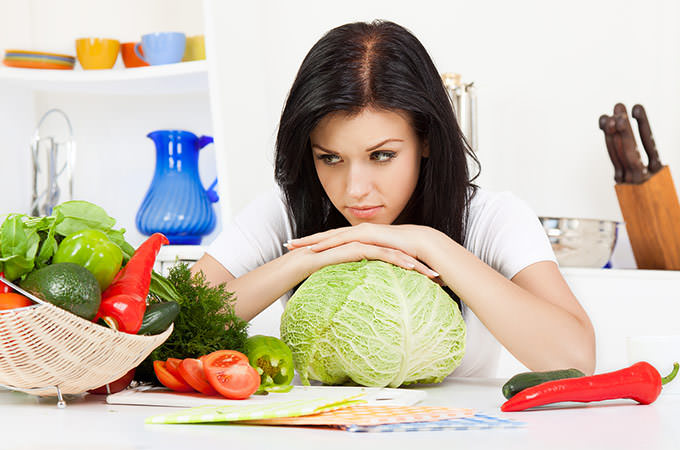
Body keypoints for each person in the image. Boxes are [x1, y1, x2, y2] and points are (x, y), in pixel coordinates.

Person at [192, 20, 596, 377]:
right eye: (329, 158)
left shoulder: (495, 219)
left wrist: (430, 243)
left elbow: (575, 358)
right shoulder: (280, 214)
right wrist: (305, 259)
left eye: (382, 155)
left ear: (426, 141)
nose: (354, 190)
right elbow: (163, 330)